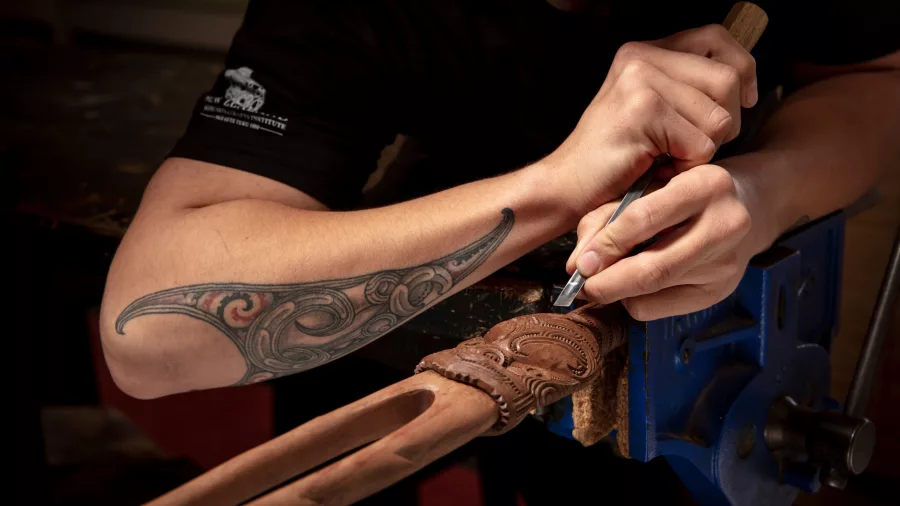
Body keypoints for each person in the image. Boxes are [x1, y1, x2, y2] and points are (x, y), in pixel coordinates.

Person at [99, 0, 899, 399]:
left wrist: (767, 190)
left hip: (702, 318)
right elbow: (150, 334)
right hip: (405, 268)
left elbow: (870, 79)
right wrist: (557, 185)